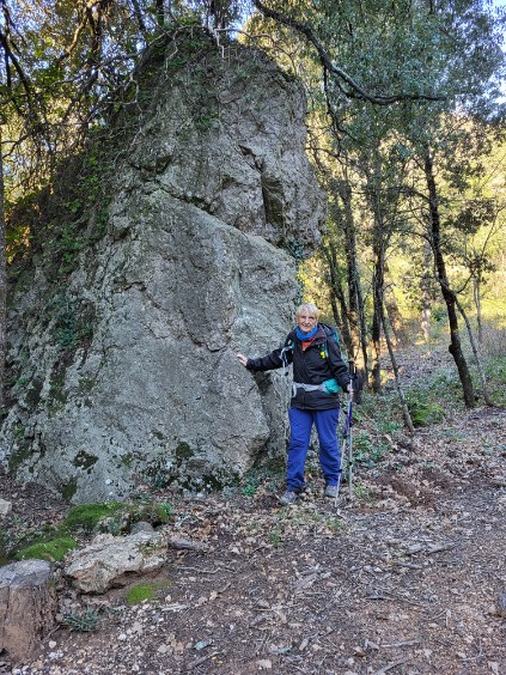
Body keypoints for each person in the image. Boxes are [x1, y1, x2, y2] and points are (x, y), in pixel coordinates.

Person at [237, 303, 352, 505]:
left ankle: (332, 481)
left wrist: (347, 384)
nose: (307, 322)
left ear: (316, 320)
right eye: (303, 318)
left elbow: (339, 367)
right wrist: (252, 363)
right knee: (297, 443)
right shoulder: (294, 339)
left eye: (311, 318)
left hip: (325, 402)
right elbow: (278, 358)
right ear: (297, 319)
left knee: (327, 442)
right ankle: (293, 486)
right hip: (300, 402)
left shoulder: (326, 340)